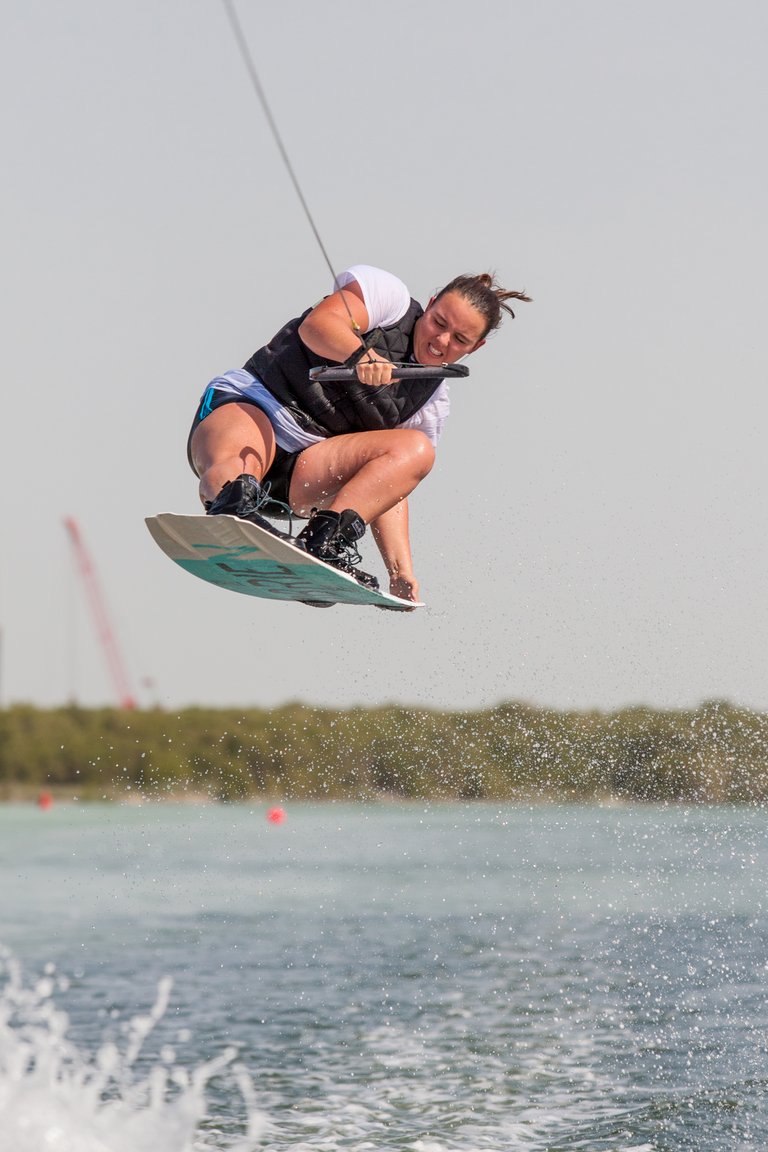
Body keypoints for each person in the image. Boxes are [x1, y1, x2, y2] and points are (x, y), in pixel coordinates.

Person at [187, 265, 530, 604]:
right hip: (256, 408)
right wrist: (360, 355)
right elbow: (317, 326)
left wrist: (400, 571)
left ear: (477, 347)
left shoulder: (432, 403)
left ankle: (323, 544)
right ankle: (231, 509)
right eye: (439, 322)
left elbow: (387, 483)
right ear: (431, 301)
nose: (441, 341)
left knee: (418, 450)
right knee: (239, 465)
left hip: (305, 472)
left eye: (459, 339)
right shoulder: (389, 299)